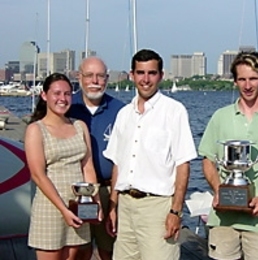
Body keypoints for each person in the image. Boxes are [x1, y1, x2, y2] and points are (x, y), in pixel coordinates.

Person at [198, 51, 258, 260]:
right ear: (234, 82)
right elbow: (208, 160)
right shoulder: (220, 117)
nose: (248, 85)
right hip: (223, 219)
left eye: (253, 78)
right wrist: (218, 192)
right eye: (242, 79)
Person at [103, 49, 197, 260]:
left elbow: (183, 164)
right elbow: (118, 163)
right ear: (132, 75)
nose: (145, 79)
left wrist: (175, 211)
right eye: (140, 73)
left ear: (161, 75)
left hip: (157, 207)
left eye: (151, 73)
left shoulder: (174, 111)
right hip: (125, 205)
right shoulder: (124, 114)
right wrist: (113, 205)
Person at [24, 73, 101, 260]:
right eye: (57, 93)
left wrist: (96, 202)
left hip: (78, 205)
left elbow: (88, 167)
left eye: (67, 94)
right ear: (44, 96)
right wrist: (63, 210)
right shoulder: (36, 129)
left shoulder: (80, 126)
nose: (62, 99)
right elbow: (38, 175)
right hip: (50, 206)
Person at [68, 56, 125, 260]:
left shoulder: (120, 111)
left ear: (107, 79)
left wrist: (113, 203)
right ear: (79, 77)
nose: (95, 81)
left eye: (100, 76)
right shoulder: (66, 106)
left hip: (108, 190)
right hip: (73, 191)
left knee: (108, 249)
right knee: (77, 251)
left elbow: (123, 159)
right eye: (89, 75)